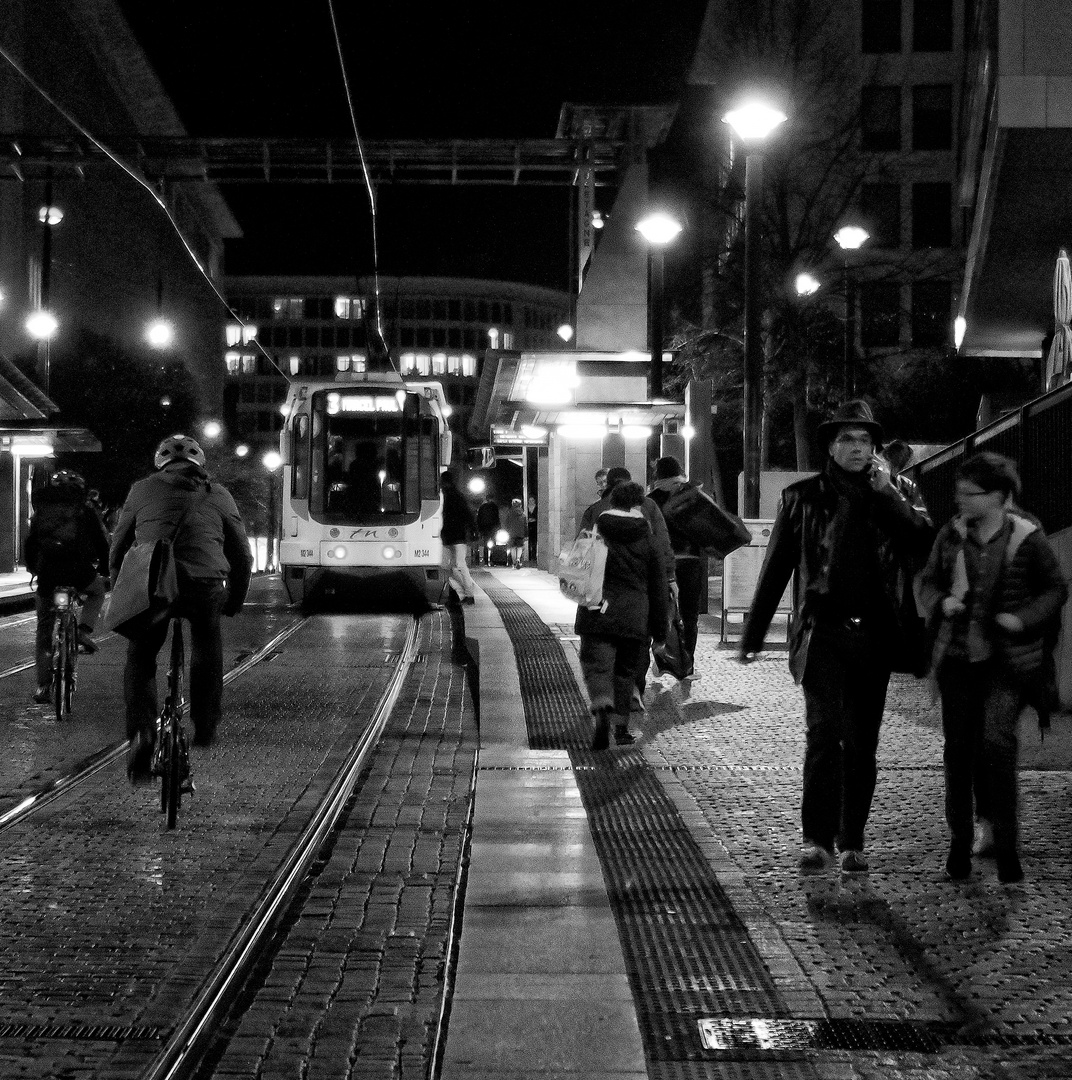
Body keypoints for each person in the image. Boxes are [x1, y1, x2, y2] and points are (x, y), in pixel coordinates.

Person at [738, 400, 935, 875]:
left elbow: (922, 542)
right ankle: (816, 839)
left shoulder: (899, 490)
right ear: (830, 445)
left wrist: (888, 494)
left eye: (865, 441)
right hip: (821, 630)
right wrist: (754, 632)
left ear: (876, 449)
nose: (857, 448)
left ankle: (852, 841)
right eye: (847, 439)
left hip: (876, 633)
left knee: (862, 741)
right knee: (824, 733)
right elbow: (776, 568)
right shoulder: (800, 496)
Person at [918, 452, 1067, 884]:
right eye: (959, 492)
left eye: (971, 493)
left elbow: (1055, 588)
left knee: (997, 744)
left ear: (1000, 496)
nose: (961, 500)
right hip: (959, 661)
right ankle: (958, 847)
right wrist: (939, 601)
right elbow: (927, 581)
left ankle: (1006, 848)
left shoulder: (1027, 536)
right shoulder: (951, 535)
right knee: (958, 751)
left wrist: (1021, 619)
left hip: (1006, 664)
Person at [110, 434, 253, 782]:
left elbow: (119, 545)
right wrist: (234, 599)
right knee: (206, 643)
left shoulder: (141, 490)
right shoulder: (218, 494)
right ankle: (204, 723)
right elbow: (242, 554)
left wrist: (121, 586)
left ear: (161, 463)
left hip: (155, 584)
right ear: (199, 463)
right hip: (204, 585)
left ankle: (142, 733)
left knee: (141, 658)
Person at [575, 482, 669, 750]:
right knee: (625, 671)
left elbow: (578, 569)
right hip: (633, 614)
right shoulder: (648, 539)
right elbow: (658, 587)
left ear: (611, 502)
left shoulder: (595, 532)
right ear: (638, 505)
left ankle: (601, 703)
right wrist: (660, 630)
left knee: (597, 665)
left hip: (596, 610)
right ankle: (621, 727)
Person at [24, 470, 110, 704]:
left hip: (49, 575)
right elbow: (102, 543)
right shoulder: (85, 511)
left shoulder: (42, 512)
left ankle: (43, 686)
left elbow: (30, 544)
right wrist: (105, 569)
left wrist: (34, 569)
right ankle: (83, 632)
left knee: (44, 631)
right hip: (78, 571)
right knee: (97, 591)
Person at [647, 455, 708, 675]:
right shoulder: (693, 495)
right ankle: (687, 663)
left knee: (662, 613)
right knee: (690, 616)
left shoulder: (651, 500)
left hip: (663, 565)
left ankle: (662, 661)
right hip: (691, 561)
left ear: (658, 476)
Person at [439, 472, 477, 605]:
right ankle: (468, 590)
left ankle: (468, 592)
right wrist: (472, 530)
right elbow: (468, 515)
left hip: (449, 536)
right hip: (458, 536)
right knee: (458, 565)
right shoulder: (458, 496)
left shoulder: (445, 497)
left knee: (449, 566)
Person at [475, 495, 501, 566]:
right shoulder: (494, 506)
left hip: (484, 528)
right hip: (493, 527)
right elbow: (497, 517)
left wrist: (479, 529)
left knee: (485, 544)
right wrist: (498, 527)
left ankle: (486, 561)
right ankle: (493, 560)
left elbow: (479, 518)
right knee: (493, 544)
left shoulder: (482, 507)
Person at [503, 497, 528, 568]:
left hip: (511, 534)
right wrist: (526, 535)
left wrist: (507, 531)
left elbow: (506, 524)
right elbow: (525, 525)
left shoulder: (509, 514)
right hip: (520, 534)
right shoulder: (523, 515)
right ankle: (518, 559)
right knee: (519, 547)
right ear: (520, 505)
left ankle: (514, 562)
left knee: (512, 547)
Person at [526, 495, 538, 564]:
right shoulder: (526, 507)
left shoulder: (536, 508)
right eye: (530, 500)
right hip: (528, 525)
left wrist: (534, 519)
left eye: (532, 500)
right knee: (529, 541)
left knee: (534, 542)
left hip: (534, 525)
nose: (531, 502)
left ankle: (534, 556)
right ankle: (529, 556)